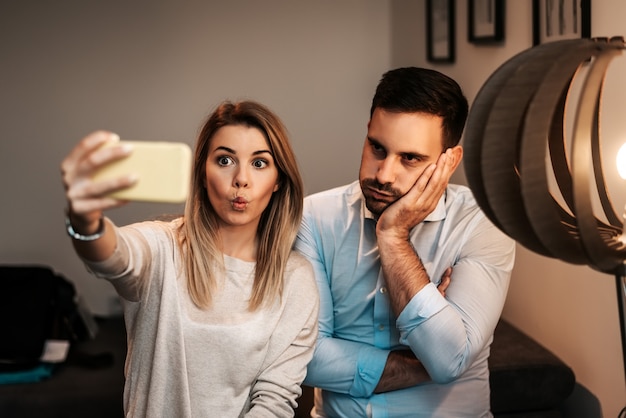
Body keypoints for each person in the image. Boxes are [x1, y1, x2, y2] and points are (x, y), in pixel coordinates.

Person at [61, 100, 319, 417]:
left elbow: (274, 400)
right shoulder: (162, 248)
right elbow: (114, 255)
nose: (241, 179)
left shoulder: (295, 278)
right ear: (201, 173)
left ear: (279, 179)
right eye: (225, 160)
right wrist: (85, 221)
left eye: (259, 163)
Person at [295, 67, 516, 417]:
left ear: (449, 161)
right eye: (377, 148)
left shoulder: (482, 224)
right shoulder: (313, 218)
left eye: (410, 158)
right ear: (366, 133)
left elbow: (448, 360)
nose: (383, 175)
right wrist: (423, 364)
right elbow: (306, 359)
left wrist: (393, 236)